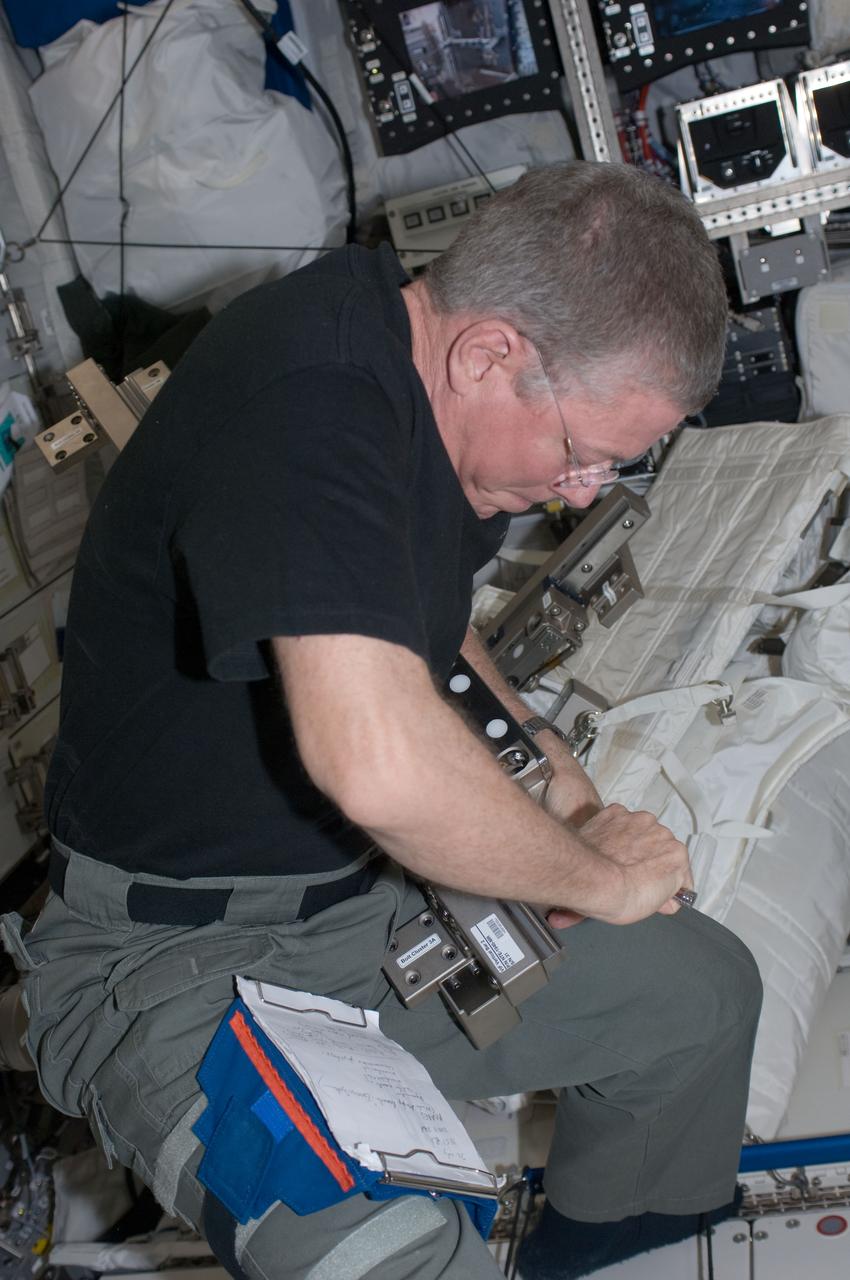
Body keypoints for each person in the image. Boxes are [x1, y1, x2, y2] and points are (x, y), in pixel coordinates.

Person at [1, 160, 761, 1280]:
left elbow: (417, 619)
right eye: (581, 451)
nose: (586, 487)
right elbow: (380, 767)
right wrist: (597, 874)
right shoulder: (306, 397)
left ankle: (592, 1256)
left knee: (699, 994)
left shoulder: (408, 368)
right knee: (403, 1256)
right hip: (166, 962)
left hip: (356, 908)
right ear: (491, 353)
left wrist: (549, 766)